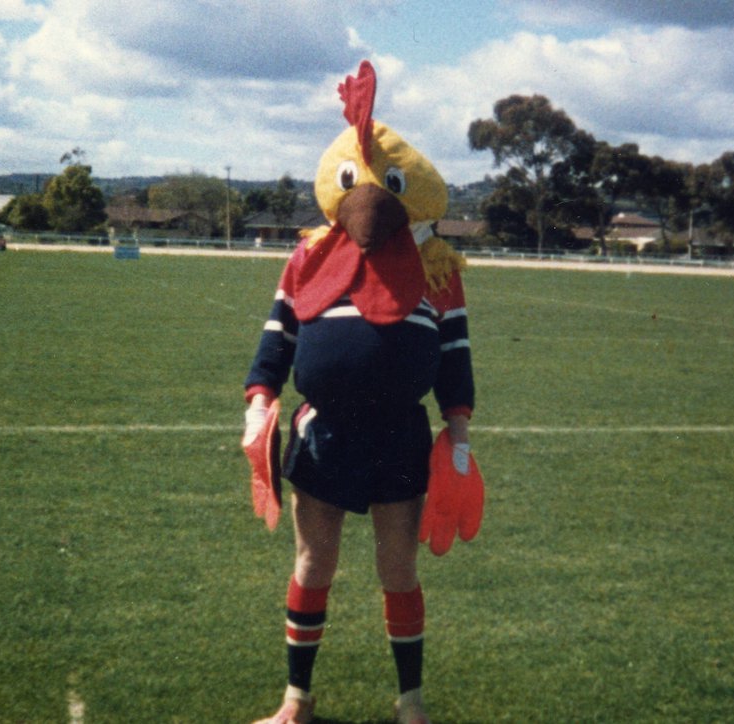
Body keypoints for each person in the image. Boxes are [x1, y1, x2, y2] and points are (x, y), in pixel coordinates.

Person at [242, 61, 475, 724]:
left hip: (402, 435)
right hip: (326, 433)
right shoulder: (309, 254)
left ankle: (411, 704)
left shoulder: (438, 269)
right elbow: (277, 337)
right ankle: (296, 703)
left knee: (398, 568)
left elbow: (455, 358)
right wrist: (259, 403)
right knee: (313, 562)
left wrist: (459, 439)